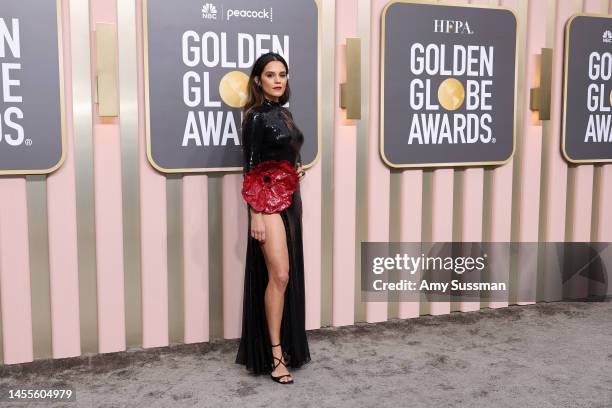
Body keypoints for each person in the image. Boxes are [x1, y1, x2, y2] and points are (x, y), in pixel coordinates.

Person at [235, 52, 311, 384]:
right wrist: (254, 214)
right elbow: (250, 168)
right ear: (258, 80)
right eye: (270, 75)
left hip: (289, 199)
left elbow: (286, 153)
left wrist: (296, 168)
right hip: (265, 205)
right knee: (279, 275)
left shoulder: (285, 113)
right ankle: (275, 355)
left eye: (282, 74)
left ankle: (281, 348)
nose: (278, 80)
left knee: (284, 276)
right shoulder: (254, 117)